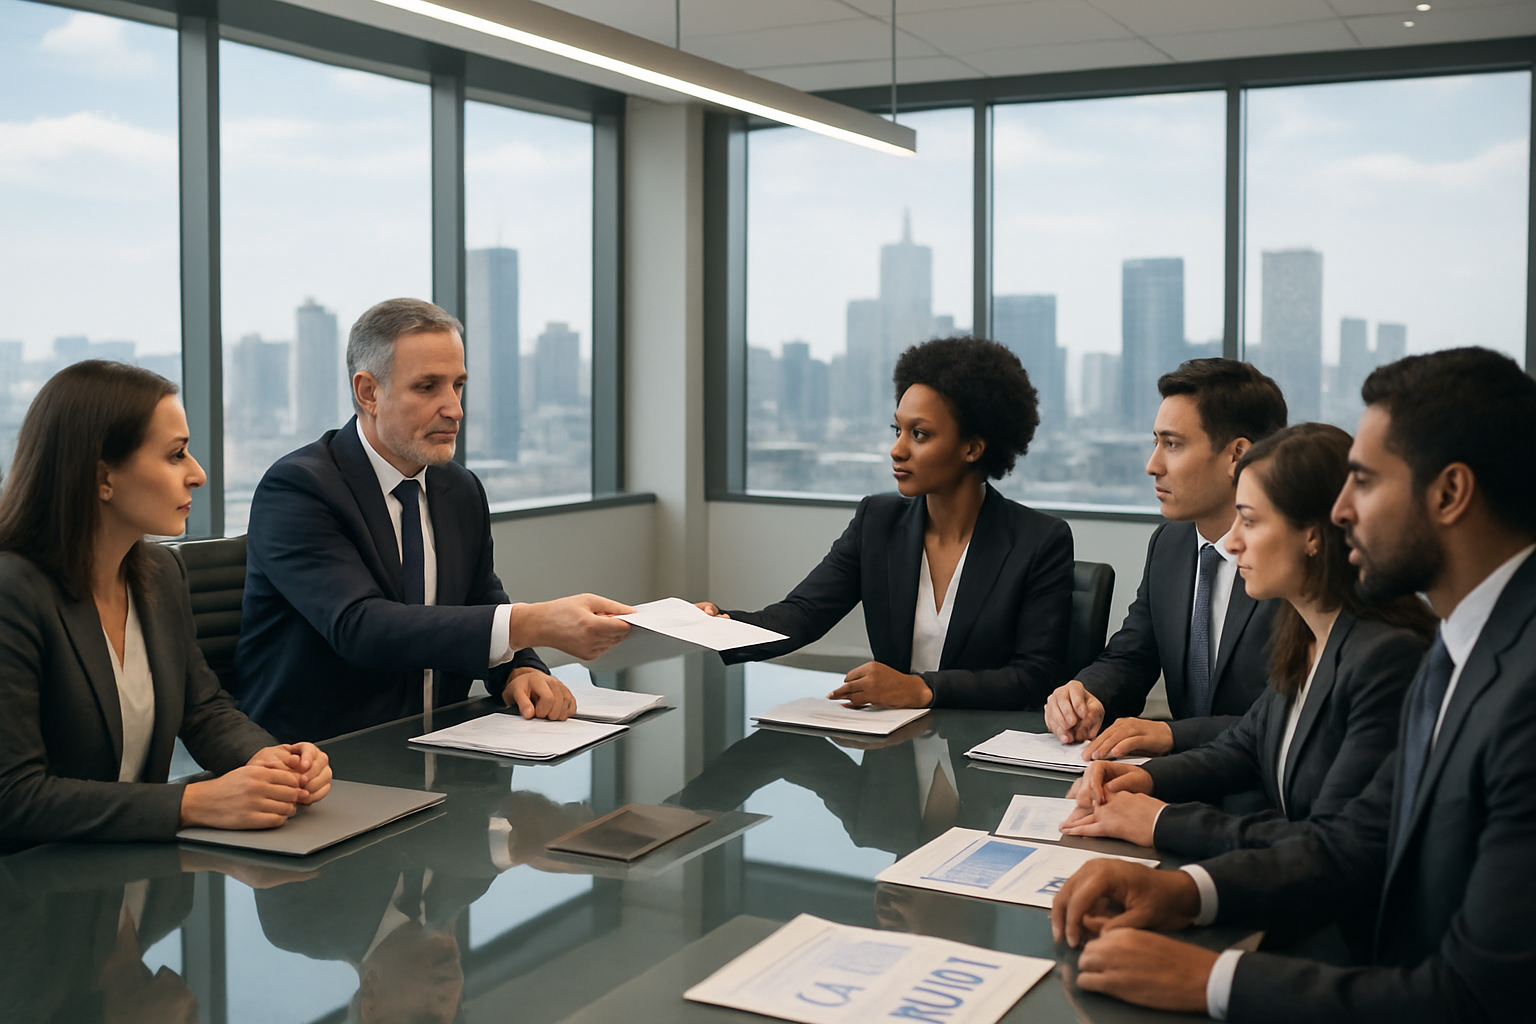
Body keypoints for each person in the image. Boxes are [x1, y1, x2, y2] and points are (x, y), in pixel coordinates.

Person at [1050, 347, 1536, 1022]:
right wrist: (1187, 893)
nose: (1340, 511)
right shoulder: (1458, 649)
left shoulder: (1511, 688)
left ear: (1450, 493)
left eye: (1364, 482)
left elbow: (1475, 997)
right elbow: (1351, 844)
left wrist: (1214, 980)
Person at [236, 298, 634, 742]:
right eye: (427, 387)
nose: (454, 409)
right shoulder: (298, 487)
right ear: (368, 392)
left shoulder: (458, 488)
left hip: (443, 748)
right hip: (321, 757)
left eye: (458, 385)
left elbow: (481, 599)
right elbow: (360, 627)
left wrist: (520, 668)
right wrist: (534, 622)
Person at [1058, 423, 1434, 858]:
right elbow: (1246, 746)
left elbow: (1332, 844)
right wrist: (1145, 778)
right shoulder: (1305, 632)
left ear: (1313, 536)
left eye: (1250, 521)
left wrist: (1161, 822)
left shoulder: (1386, 656)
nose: (1233, 542)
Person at [0, 361, 331, 853]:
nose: (197, 474)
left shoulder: (159, 572)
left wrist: (273, 762)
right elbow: (13, 797)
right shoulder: (13, 592)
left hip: (133, 869)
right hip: (34, 882)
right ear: (102, 477)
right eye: (176, 455)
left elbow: (202, 710)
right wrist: (190, 804)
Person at [699, 336, 1074, 709]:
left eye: (920, 434)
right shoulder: (877, 522)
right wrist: (716, 625)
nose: (897, 449)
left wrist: (924, 689)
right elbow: (801, 615)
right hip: (893, 737)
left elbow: (1036, 676)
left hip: (986, 740)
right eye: (897, 430)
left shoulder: (1039, 540)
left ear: (972, 448)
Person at [1044, 358, 1288, 758]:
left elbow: (1290, 716)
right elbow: (1132, 655)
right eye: (1155, 442)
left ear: (1237, 455)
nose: (1152, 466)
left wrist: (1175, 735)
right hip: (1186, 776)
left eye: (1172, 444)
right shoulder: (1170, 544)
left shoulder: (1290, 560)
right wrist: (1086, 695)